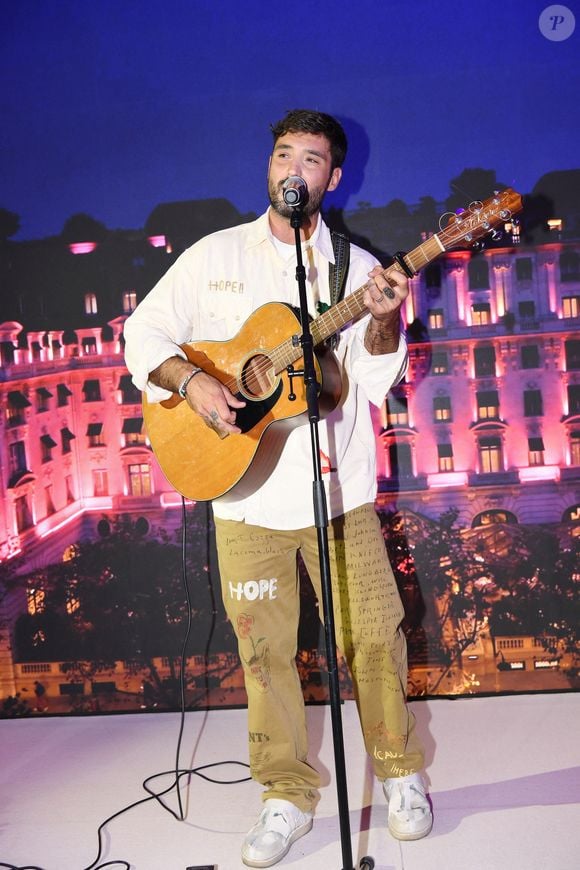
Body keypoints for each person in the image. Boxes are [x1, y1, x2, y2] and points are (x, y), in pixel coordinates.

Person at [124, 109, 432, 867]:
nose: (295, 166)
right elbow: (144, 336)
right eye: (283, 152)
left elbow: (374, 377)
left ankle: (397, 775)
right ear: (270, 166)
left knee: (373, 643)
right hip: (244, 501)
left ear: (333, 177)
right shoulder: (212, 256)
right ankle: (285, 795)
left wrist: (385, 322)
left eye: (313, 157)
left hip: (339, 496)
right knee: (263, 654)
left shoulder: (359, 274)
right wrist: (194, 381)